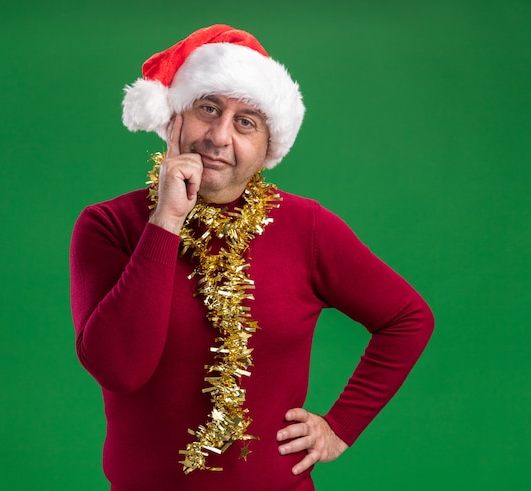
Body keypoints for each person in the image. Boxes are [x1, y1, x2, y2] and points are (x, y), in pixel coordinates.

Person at [70, 24, 434, 491]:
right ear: (174, 116)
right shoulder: (108, 225)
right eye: (208, 108)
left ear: (268, 148)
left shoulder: (307, 228)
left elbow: (407, 317)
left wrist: (341, 425)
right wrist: (165, 221)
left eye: (246, 122)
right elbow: (120, 369)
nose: (219, 136)